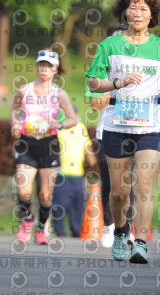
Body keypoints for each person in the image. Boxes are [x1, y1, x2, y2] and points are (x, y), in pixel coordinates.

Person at [86, 0, 160, 264]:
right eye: (133, 7)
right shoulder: (110, 45)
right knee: (118, 192)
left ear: (152, 15)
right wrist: (118, 83)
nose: (138, 13)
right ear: (125, 12)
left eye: (144, 9)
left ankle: (140, 243)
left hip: (152, 125)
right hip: (116, 124)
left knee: (143, 185)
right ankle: (120, 231)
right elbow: (94, 82)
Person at [10, 49, 78, 244]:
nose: (44, 69)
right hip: (27, 143)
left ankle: (42, 228)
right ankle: (28, 220)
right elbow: (14, 110)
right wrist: (15, 124)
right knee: (23, 191)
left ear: (55, 70)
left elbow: (73, 119)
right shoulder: (24, 90)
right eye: (41, 65)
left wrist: (60, 124)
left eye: (48, 66)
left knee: (46, 195)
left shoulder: (59, 94)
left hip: (49, 145)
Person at [85, 23, 136, 248]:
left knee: (129, 182)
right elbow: (95, 103)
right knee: (110, 184)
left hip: (133, 130)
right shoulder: (101, 70)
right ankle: (109, 227)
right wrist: (118, 88)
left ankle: (128, 228)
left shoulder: (138, 68)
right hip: (106, 131)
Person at [51, 106, 98, 237]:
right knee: (60, 203)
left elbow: (86, 144)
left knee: (77, 204)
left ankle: (76, 230)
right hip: (62, 173)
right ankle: (60, 231)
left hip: (77, 173)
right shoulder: (58, 128)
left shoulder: (81, 127)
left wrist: (91, 157)